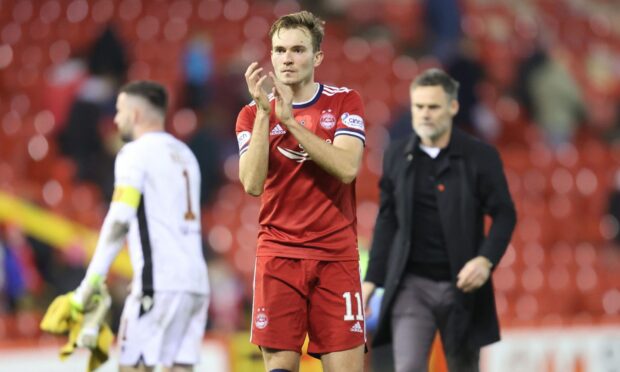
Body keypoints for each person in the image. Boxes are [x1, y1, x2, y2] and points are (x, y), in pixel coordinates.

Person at [236, 10, 366, 372]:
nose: (287, 59)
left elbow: (346, 168)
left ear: (318, 57)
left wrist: (290, 121)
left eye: (297, 50)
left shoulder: (344, 102)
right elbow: (251, 184)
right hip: (279, 255)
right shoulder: (250, 114)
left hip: (335, 255)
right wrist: (267, 115)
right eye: (279, 50)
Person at [362, 69, 516, 372]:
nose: (425, 115)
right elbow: (387, 221)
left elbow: (504, 213)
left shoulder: (480, 156)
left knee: (462, 367)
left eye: (433, 107)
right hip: (410, 285)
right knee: (407, 367)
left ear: (453, 107)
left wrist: (485, 261)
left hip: (462, 286)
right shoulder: (395, 155)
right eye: (418, 107)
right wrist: (372, 280)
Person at [71, 81, 210, 372]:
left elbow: (120, 220)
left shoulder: (134, 153)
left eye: (120, 111)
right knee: (180, 367)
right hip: (195, 283)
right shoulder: (186, 155)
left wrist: (91, 281)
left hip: (158, 283)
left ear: (134, 114)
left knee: (132, 367)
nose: (116, 119)